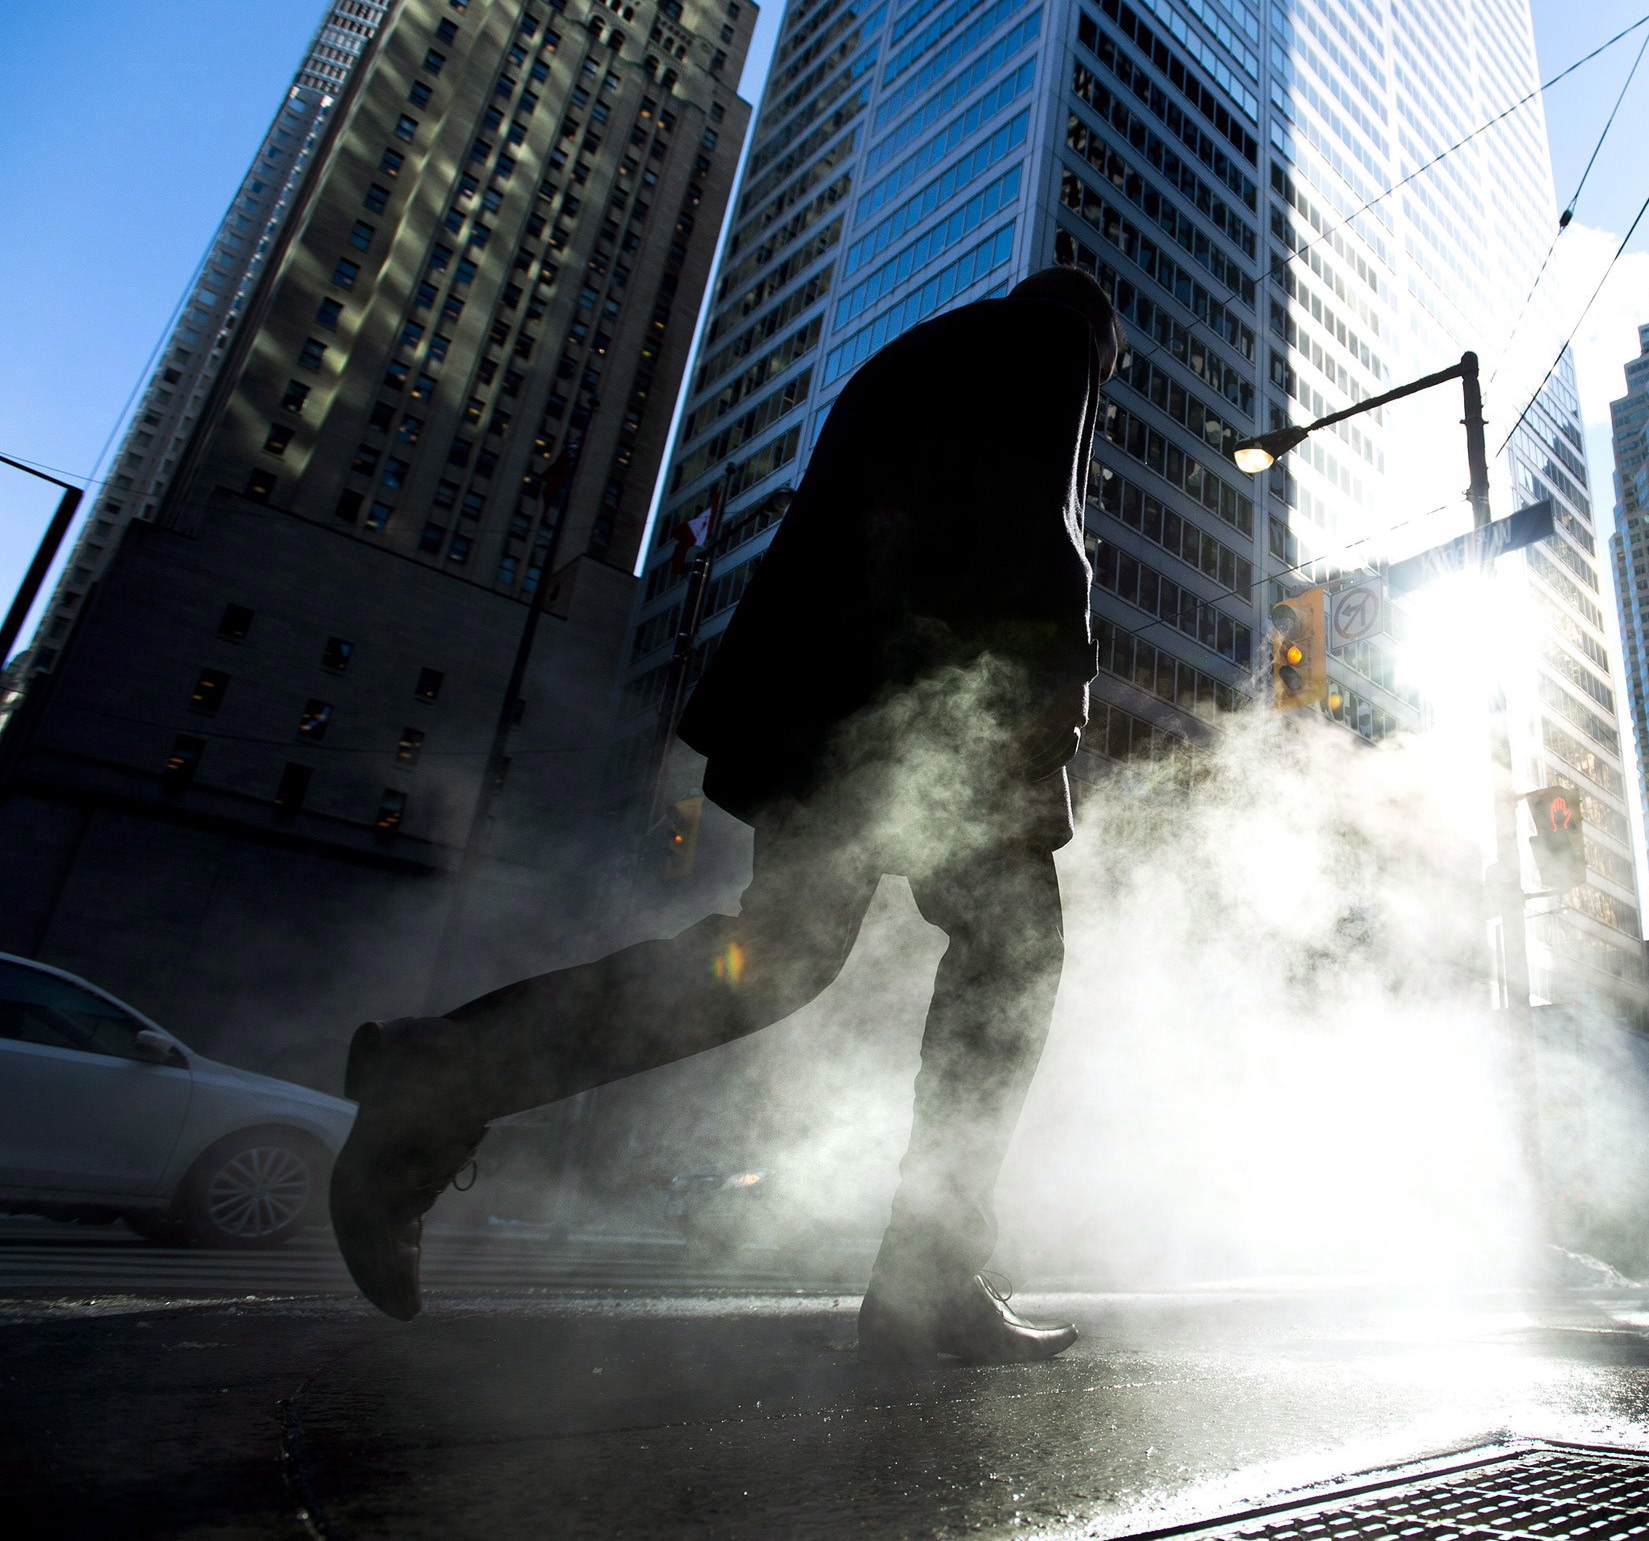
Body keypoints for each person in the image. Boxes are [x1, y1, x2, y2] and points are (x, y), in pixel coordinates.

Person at [329, 266, 1122, 1363]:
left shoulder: (911, 359)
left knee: (778, 957)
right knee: (1014, 953)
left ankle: (442, 1074)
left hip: (822, 704)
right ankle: (926, 1274)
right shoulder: (1053, 335)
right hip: (934, 701)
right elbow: (1037, 524)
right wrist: (1062, 680)